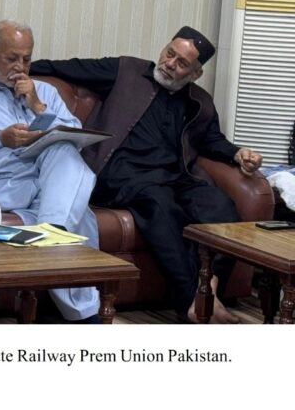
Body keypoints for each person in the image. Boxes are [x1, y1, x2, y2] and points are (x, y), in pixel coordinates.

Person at [29, 27, 263, 323]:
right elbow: (66, 67)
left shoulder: (200, 102)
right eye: (169, 53)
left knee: (224, 210)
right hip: (121, 173)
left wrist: (238, 153)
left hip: (175, 177)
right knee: (160, 204)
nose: (169, 64)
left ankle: (209, 292)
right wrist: (23, 68)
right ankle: (192, 303)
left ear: (196, 73)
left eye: (181, 63)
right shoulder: (126, 70)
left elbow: (212, 140)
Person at [0, 20, 101, 323]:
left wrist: (38, 106)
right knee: (82, 216)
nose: (20, 67)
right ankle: (85, 317)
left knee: (63, 148)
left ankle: (51, 230)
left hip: (48, 185)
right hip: (3, 186)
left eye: (26, 59)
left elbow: (76, 133)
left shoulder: (45, 92)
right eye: (11, 58)